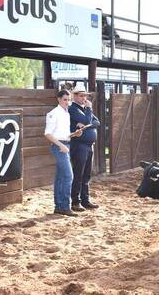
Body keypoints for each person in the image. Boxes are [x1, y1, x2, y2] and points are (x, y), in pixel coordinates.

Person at [44, 89, 83, 217]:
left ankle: (59, 206)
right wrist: (61, 146)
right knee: (68, 176)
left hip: (65, 144)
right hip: (59, 146)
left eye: (69, 100)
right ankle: (65, 206)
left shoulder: (66, 113)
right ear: (59, 99)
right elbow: (48, 134)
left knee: (61, 177)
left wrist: (74, 134)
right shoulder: (53, 113)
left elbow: (62, 134)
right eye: (65, 100)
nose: (67, 102)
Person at [68, 84, 101, 212]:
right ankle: (76, 202)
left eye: (85, 96)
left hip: (88, 145)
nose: (84, 98)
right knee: (78, 173)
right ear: (74, 96)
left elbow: (97, 122)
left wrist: (87, 123)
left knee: (86, 174)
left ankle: (85, 200)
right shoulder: (74, 109)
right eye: (81, 95)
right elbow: (88, 121)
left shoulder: (83, 110)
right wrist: (89, 111)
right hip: (79, 145)